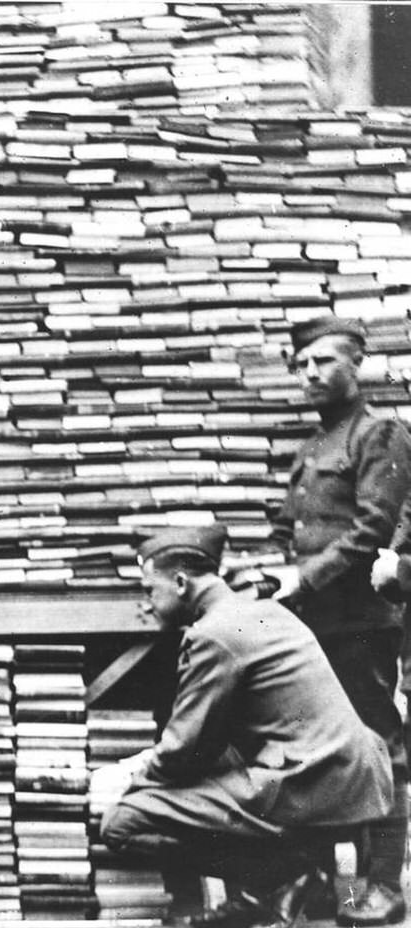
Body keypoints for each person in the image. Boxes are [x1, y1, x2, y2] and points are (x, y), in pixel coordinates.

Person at [99, 524, 394, 928]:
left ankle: (278, 880)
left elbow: (184, 752)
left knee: (123, 822)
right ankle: (307, 884)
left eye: (150, 589)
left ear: (181, 582)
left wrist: (128, 776)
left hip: (311, 784)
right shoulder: (263, 611)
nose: (148, 604)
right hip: (350, 783)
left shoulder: (214, 634)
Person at [264, 314, 411, 927]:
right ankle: (331, 889)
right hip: (313, 625)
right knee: (322, 753)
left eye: (324, 361)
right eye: (302, 365)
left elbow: (373, 527)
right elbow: (293, 526)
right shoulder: (313, 446)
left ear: (356, 365)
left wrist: (308, 576)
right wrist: (271, 567)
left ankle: (383, 889)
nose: (311, 373)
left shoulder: (378, 435)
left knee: (379, 749)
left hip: (359, 623)